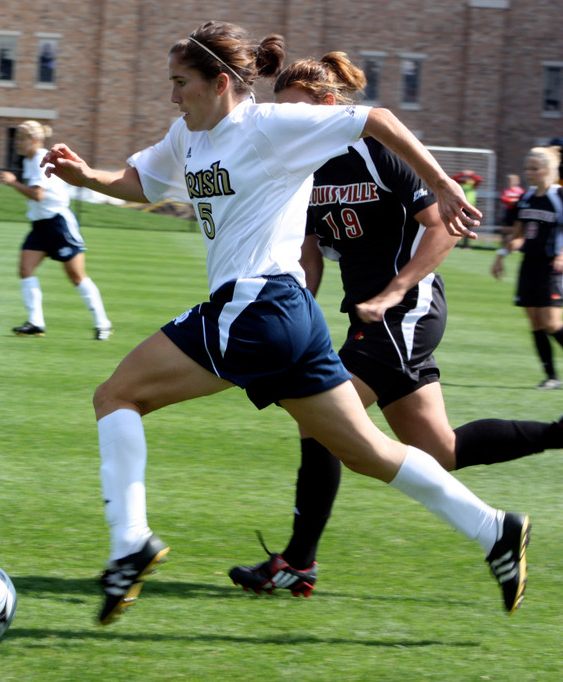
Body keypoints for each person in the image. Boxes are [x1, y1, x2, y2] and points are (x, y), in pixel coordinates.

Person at [40, 20, 528, 626]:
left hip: (256, 305)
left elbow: (375, 119)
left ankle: (129, 542)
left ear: (221, 83)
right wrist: (88, 177)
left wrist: (443, 183)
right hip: (288, 317)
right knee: (369, 451)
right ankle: (495, 530)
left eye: (180, 83)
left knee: (116, 395)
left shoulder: (268, 127)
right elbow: (141, 181)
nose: (172, 96)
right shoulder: (188, 134)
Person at [224, 53, 563, 600]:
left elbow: (445, 226)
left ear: (329, 105)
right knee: (440, 449)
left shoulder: (378, 149)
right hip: (367, 315)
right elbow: (308, 257)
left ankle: (298, 563)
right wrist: (292, 322)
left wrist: (395, 291)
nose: (286, 123)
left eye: (297, 110)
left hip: (407, 308)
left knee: (322, 419)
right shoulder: (301, 165)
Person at [0, 120, 113, 340]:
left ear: (35, 140)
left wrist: (12, 182)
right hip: (40, 225)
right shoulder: (30, 160)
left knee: (76, 276)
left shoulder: (40, 158)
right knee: (25, 270)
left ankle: (103, 323)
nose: (17, 143)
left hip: (58, 224)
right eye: (17, 138)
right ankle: (36, 322)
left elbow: (37, 194)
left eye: (21, 138)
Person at [492, 145, 563, 389]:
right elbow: (520, 235)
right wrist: (502, 254)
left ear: (548, 170)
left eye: (535, 168)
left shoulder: (559, 195)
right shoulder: (526, 198)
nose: (529, 172)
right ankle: (552, 378)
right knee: (535, 322)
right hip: (529, 266)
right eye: (528, 168)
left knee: (553, 323)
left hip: (552, 267)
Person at [451, 169, 483, 249]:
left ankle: (466, 244)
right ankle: (456, 243)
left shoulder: (472, 185)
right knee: (458, 224)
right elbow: (453, 179)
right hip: (460, 207)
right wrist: (462, 174)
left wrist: (471, 174)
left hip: (469, 208)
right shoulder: (460, 184)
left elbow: (479, 180)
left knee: (468, 226)